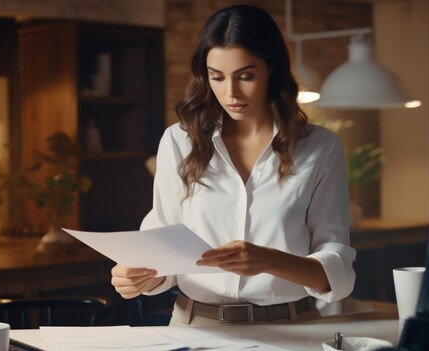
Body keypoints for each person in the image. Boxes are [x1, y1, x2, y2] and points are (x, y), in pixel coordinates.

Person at [111, 4, 356, 326]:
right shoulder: (179, 141)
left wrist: (268, 260)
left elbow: (337, 269)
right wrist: (137, 276)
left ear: (273, 70)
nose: (231, 93)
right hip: (196, 327)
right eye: (217, 77)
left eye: (246, 76)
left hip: (291, 329)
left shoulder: (319, 147)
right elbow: (163, 244)